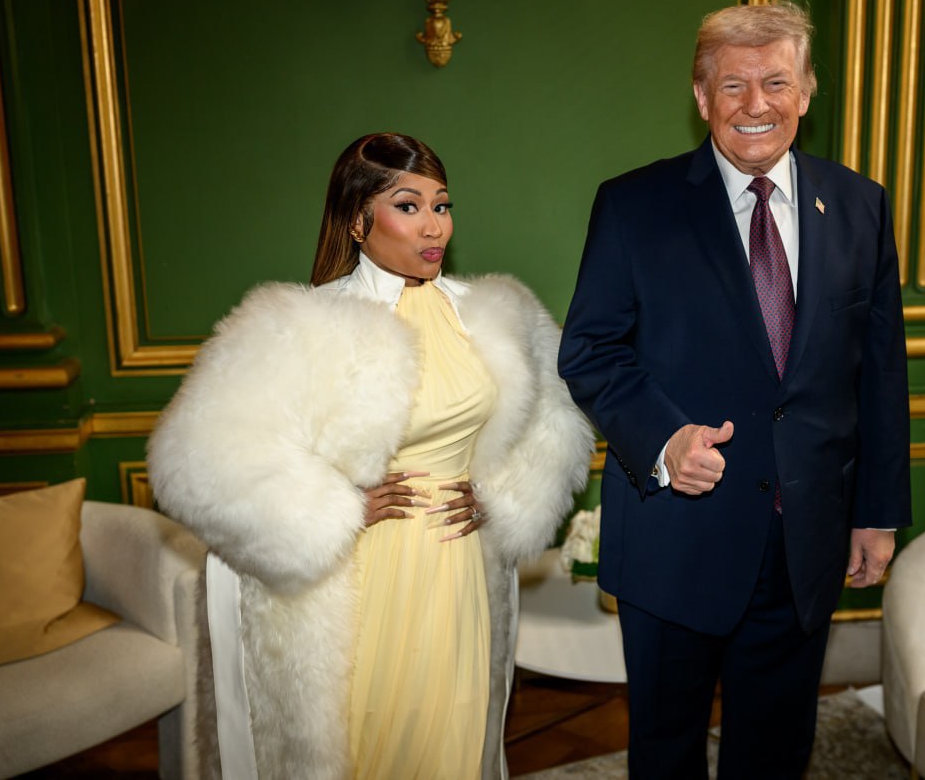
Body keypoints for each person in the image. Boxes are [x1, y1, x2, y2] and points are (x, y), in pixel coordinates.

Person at [148, 133, 593, 779]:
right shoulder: (301, 323)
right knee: (367, 743)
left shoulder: (494, 315)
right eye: (408, 206)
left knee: (455, 741)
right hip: (361, 579)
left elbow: (553, 421)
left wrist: (505, 496)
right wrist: (334, 509)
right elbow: (195, 459)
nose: (434, 225)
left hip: (460, 574)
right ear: (358, 221)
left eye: (442, 205)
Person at [557, 1, 911, 778]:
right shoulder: (634, 205)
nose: (756, 104)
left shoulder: (861, 204)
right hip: (675, 540)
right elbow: (589, 350)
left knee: (775, 757)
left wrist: (876, 512)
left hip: (804, 542)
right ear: (700, 96)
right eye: (732, 85)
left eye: (776, 82)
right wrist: (664, 437)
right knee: (666, 754)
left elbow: (880, 370)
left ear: (806, 91)